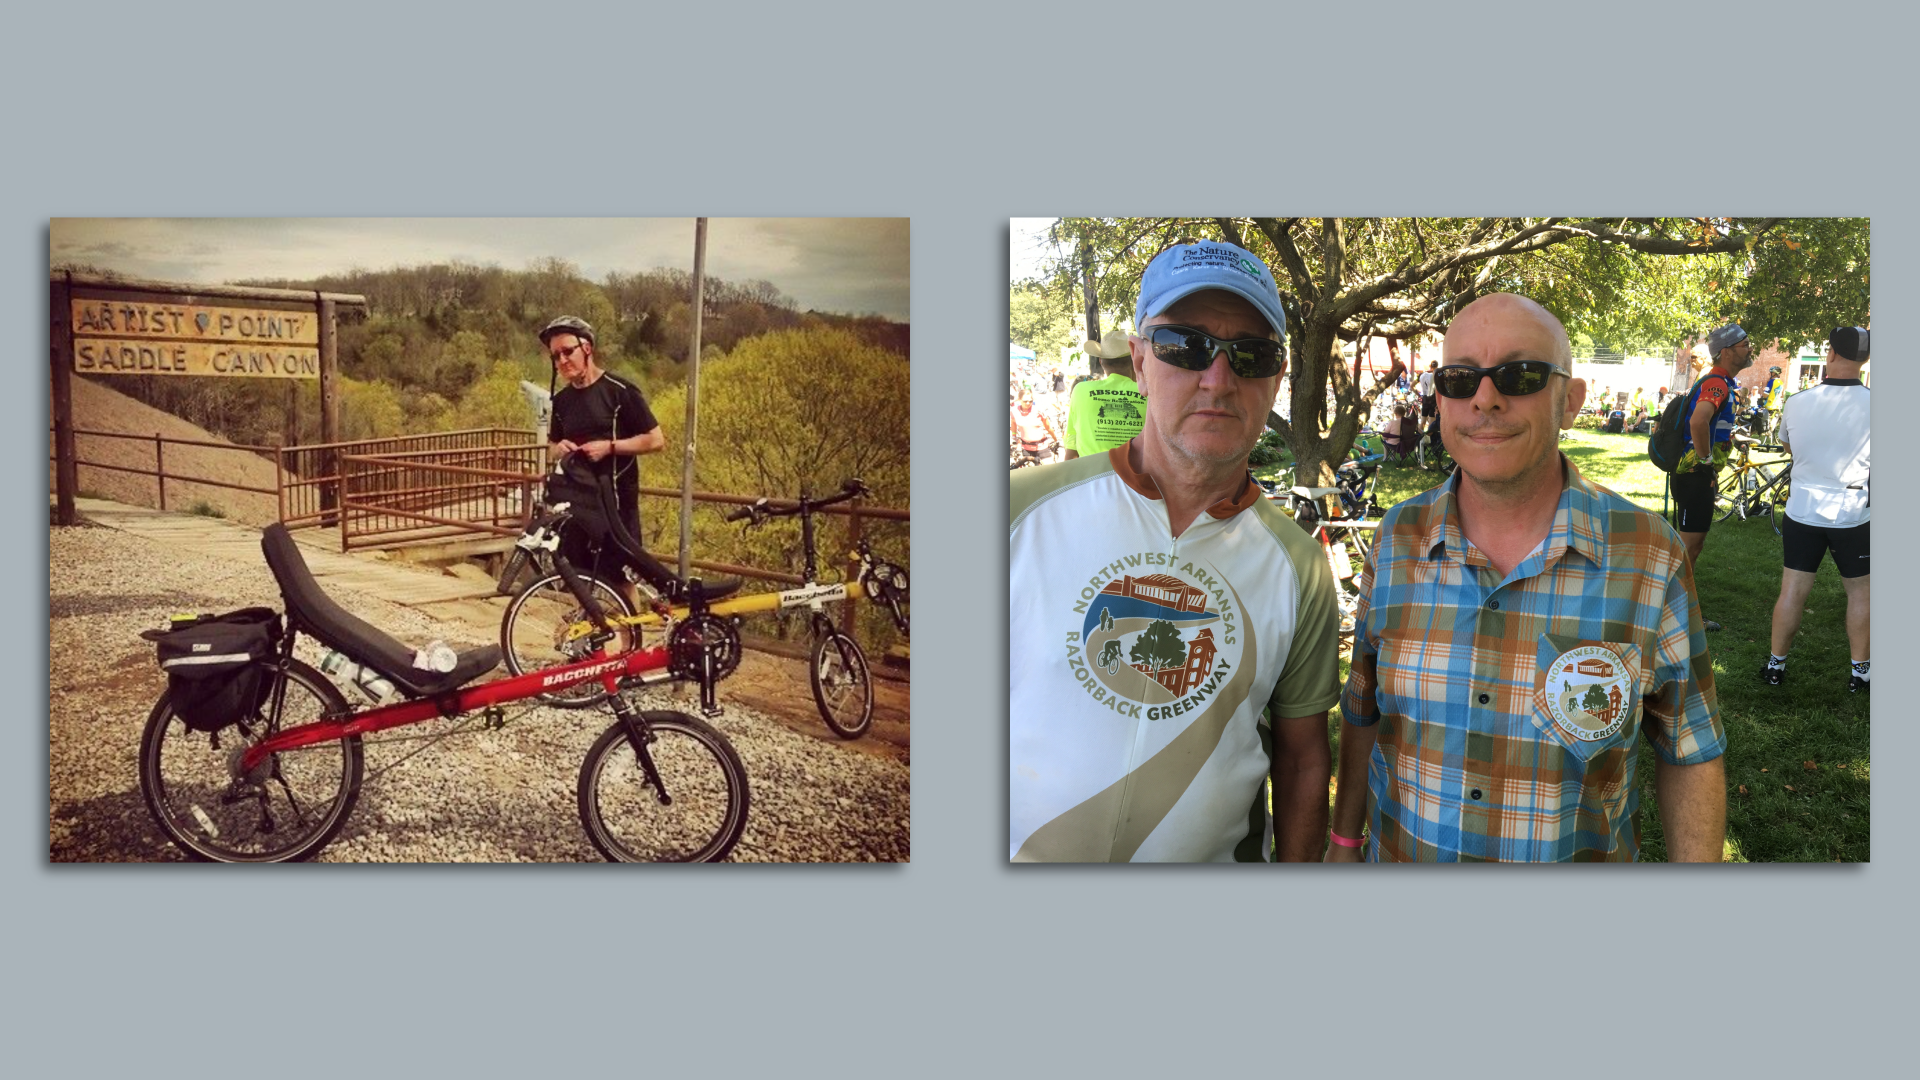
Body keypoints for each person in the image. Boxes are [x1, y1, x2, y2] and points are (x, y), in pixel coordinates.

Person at [1328, 294, 1726, 862]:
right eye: (1460, 378)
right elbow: (1364, 713)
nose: (1485, 399)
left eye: (1520, 375)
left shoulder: (1648, 554)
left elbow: (1691, 747)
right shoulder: (1396, 540)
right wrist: (1344, 844)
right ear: (1440, 398)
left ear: (1570, 401)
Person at [1009, 240, 1340, 862]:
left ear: (1276, 378)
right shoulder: (1014, 512)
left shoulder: (1298, 565)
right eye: (1183, 346)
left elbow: (1302, 760)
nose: (1217, 378)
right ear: (1138, 361)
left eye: (1252, 354)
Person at [1763, 328, 1871, 692]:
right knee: (1861, 593)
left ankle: (1775, 665)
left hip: (1803, 510)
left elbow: (1791, 449)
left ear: (1830, 354)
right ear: (1865, 360)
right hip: (1853, 512)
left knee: (1792, 590)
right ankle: (1861, 673)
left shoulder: (1797, 401)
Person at [541, 315, 666, 598]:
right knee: (579, 574)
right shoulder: (561, 401)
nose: (561, 361)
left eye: (567, 351)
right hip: (578, 501)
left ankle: (629, 641)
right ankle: (586, 635)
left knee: (622, 577)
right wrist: (559, 449)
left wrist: (609, 447)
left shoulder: (620, 392)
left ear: (587, 348)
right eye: (555, 356)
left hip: (617, 501)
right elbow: (552, 443)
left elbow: (656, 440)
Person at [1671, 323, 1755, 631]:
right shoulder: (1716, 383)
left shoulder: (1720, 381)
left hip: (1694, 473)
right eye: (1745, 344)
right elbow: (1698, 421)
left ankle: (1678, 611)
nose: (1750, 349)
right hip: (1695, 473)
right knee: (1689, 547)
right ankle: (1679, 615)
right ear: (1728, 351)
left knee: (1692, 544)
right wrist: (1706, 461)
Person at [1063, 329, 1146, 460]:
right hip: (1136, 475)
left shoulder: (1080, 390)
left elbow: (1072, 442)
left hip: (1093, 476)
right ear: (1133, 359)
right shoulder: (1147, 392)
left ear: (1101, 362)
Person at [1010, 394, 1059, 466]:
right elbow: (1013, 423)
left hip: (1042, 446)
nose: (1028, 403)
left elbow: (1048, 427)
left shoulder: (1038, 410)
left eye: (1030, 401)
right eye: (1025, 401)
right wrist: (1014, 436)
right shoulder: (1014, 411)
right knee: (1030, 473)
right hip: (1026, 447)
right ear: (1019, 400)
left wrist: (1055, 439)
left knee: (1048, 470)